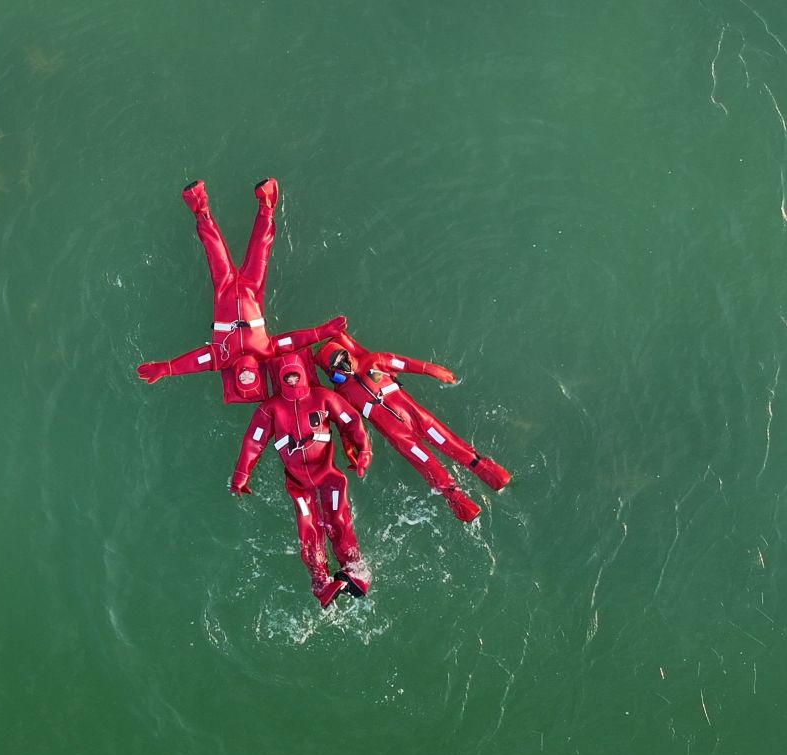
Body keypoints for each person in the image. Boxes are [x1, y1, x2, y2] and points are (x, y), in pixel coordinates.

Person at [136, 178, 344, 403]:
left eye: (241, 380)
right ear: (258, 375)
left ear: (234, 379)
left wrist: (166, 368)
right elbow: (293, 341)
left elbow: (195, 361)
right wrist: (322, 332)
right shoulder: (266, 352)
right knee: (261, 247)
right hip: (252, 290)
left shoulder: (220, 359)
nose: (245, 375)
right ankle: (266, 204)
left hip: (224, 289)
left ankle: (199, 206)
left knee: (214, 251)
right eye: (250, 379)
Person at [314, 333, 510, 522]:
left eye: (341, 357)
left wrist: (431, 369)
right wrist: (350, 446)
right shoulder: (342, 394)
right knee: (430, 466)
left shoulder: (373, 361)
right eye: (335, 364)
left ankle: (493, 474)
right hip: (400, 436)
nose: (342, 364)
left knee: (452, 445)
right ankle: (460, 503)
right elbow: (346, 421)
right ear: (330, 371)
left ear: (346, 353)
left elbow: (403, 363)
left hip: (419, 418)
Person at [230, 353, 374, 608]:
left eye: (296, 374)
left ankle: (354, 570)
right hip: (298, 483)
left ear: (304, 373)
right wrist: (242, 474)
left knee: (338, 518)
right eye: (288, 376)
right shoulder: (271, 408)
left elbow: (350, 420)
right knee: (308, 528)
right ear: (281, 379)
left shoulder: (323, 397)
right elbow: (254, 441)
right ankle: (321, 583)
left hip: (328, 475)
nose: (293, 380)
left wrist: (364, 450)